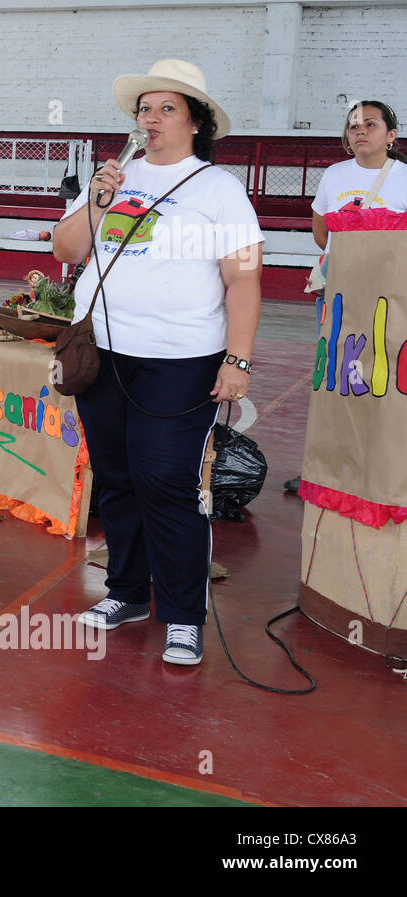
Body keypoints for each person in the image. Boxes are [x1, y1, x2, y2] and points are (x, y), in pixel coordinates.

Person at [52, 59, 264, 667]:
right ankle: (127, 594)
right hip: (105, 355)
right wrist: (98, 201)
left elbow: (243, 279)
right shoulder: (117, 178)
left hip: (179, 361)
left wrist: (239, 360)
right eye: (145, 108)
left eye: (168, 108)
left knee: (167, 484)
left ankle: (181, 614)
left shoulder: (218, 189)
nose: (152, 118)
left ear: (195, 122)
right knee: (116, 479)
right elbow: (67, 248)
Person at [282, 101, 407, 493]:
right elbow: (323, 235)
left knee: (382, 379)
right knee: (336, 377)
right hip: (338, 294)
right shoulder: (335, 176)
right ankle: (330, 466)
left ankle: (381, 468)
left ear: (390, 135)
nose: (361, 131)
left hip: (389, 297)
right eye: (354, 126)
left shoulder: (403, 177)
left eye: (371, 124)